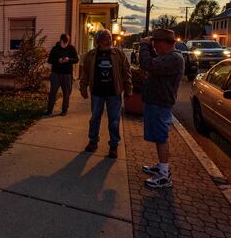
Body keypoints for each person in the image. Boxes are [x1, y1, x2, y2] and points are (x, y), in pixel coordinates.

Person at [137, 28, 184, 188]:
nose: (154, 46)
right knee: (158, 137)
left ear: (164, 43)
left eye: (156, 43)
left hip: (160, 104)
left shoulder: (174, 58)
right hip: (157, 102)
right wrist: (148, 47)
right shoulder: (167, 57)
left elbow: (147, 63)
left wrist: (144, 46)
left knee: (161, 137)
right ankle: (161, 166)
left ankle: (164, 175)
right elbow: (153, 61)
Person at [78, 29, 132, 158]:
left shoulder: (118, 54)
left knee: (114, 120)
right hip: (97, 92)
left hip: (114, 92)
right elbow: (85, 73)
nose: (108, 41)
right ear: (98, 41)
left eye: (109, 38)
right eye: (104, 39)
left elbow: (126, 71)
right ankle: (93, 141)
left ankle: (114, 145)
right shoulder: (90, 55)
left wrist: (129, 89)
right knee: (95, 118)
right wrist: (83, 87)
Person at [46, 33, 79, 116]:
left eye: (66, 43)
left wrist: (69, 60)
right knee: (53, 92)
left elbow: (76, 60)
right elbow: (49, 60)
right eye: (63, 42)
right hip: (56, 73)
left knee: (66, 93)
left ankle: (64, 110)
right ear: (60, 40)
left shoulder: (71, 48)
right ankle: (49, 110)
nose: (64, 44)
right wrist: (58, 60)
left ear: (68, 41)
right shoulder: (55, 49)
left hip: (67, 74)